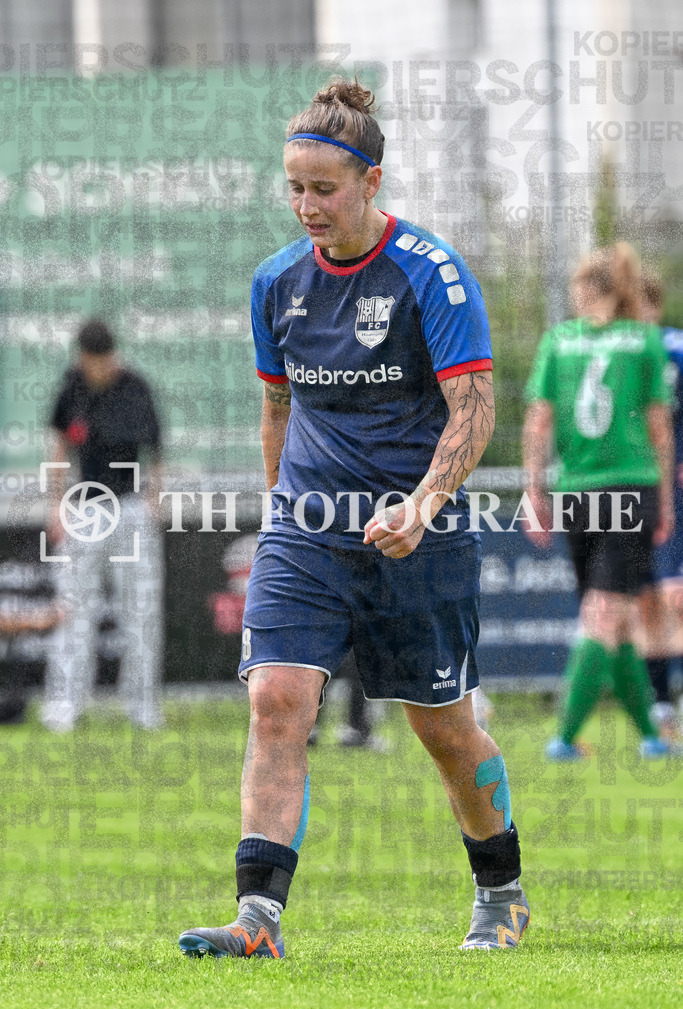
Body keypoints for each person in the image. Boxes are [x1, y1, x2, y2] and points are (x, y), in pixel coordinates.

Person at [179, 78, 529, 959]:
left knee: (441, 726)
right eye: (293, 187)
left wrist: (423, 504)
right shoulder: (274, 284)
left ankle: (501, 891)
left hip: (421, 531)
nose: (305, 206)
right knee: (275, 700)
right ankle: (257, 918)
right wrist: (278, 519)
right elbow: (276, 410)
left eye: (323, 188)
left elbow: (475, 408)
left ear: (371, 182)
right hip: (308, 527)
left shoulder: (431, 274)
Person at [522, 243, 677, 760]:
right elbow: (658, 426)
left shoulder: (558, 340)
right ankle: (564, 739)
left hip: (573, 493)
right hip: (630, 488)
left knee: (613, 619)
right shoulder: (644, 343)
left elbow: (538, 420)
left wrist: (533, 490)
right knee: (607, 616)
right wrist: (666, 501)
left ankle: (653, 738)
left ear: (589, 288)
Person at [42, 319, 164, 732]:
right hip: (83, 509)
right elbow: (58, 445)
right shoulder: (71, 386)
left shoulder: (135, 387)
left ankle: (144, 710)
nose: (101, 368)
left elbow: (156, 449)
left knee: (142, 613)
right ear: (83, 358)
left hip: (130, 508)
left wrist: (154, 501)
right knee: (75, 611)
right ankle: (63, 708)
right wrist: (56, 504)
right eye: (94, 361)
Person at [637, 272, 683, 738]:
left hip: (675, 495)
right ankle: (661, 708)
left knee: (676, 598)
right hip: (632, 492)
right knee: (647, 605)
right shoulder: (616, 353)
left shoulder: (673, 350)